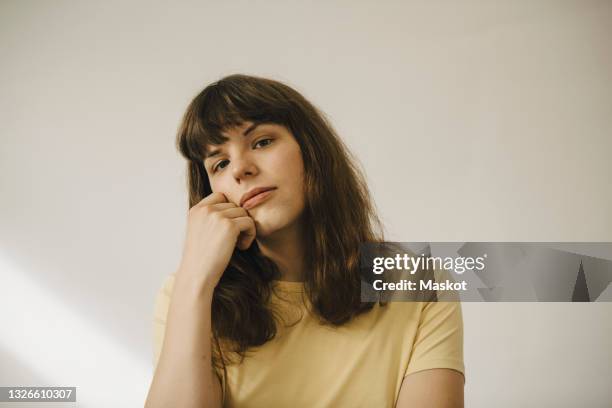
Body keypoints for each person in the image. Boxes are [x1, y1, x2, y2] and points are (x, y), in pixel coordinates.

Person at [144, 74, 465, 408]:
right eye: (220, 163)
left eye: (261, 142)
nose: (240, 168)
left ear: (311, 150)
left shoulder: (421, 284)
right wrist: (195, 280)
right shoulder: (186, 296)